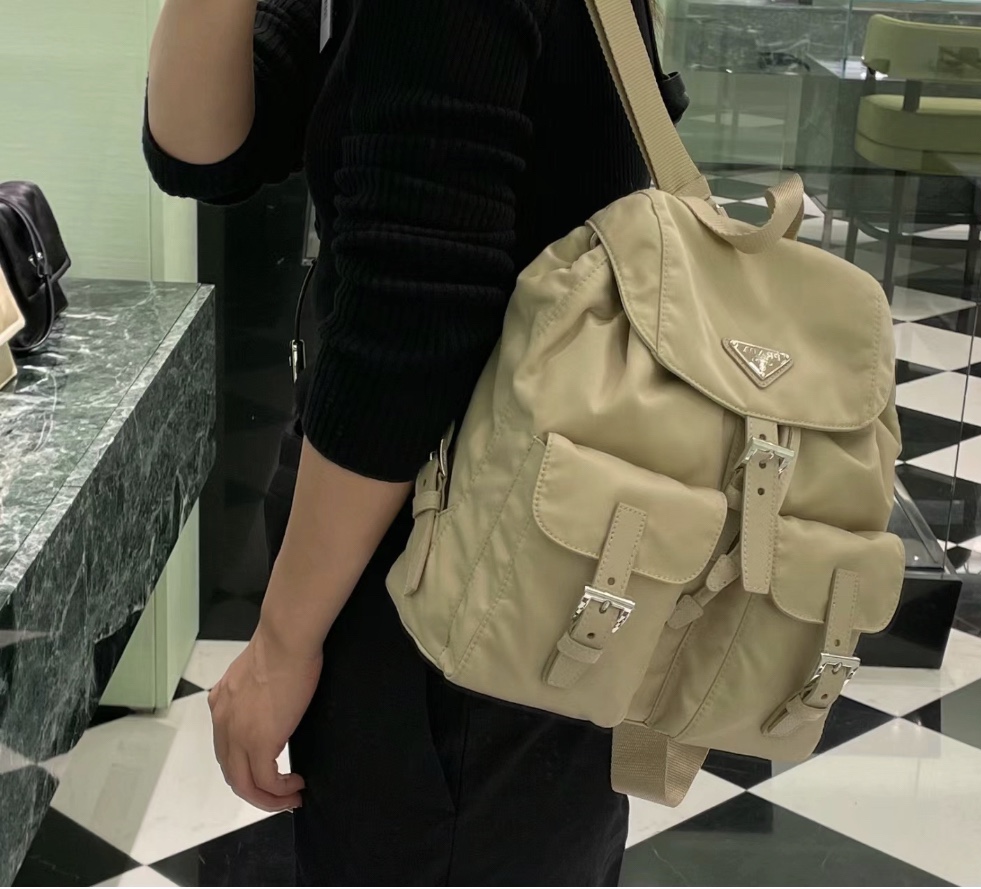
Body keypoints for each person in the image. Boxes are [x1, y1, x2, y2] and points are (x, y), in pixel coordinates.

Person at [144, 0, 687, 884]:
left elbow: (410, 325)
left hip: (459, 563)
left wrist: (280, 644)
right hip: (520, 530)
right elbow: (204, 151)